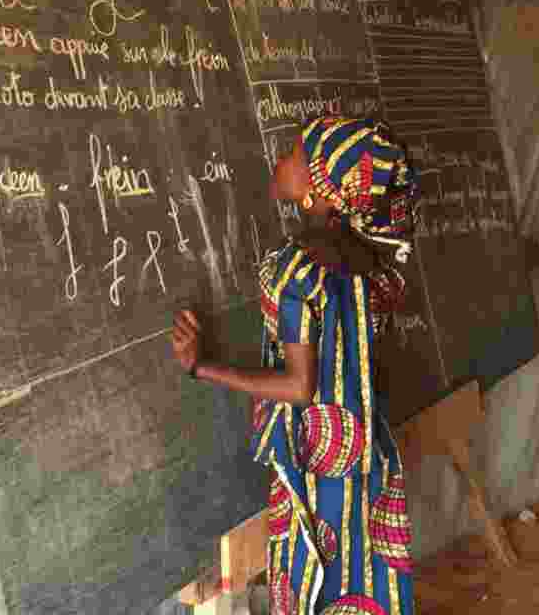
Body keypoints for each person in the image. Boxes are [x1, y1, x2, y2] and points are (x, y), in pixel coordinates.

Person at [172, 116, 418, 614]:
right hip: (368, 457)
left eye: (295, 153)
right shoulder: (372, 266)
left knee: (313, 586)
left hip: (317, 471)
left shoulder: (295, 269)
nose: (281, 159)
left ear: (317, 190)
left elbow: (300, 385)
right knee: (362, 581)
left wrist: (201, 366)